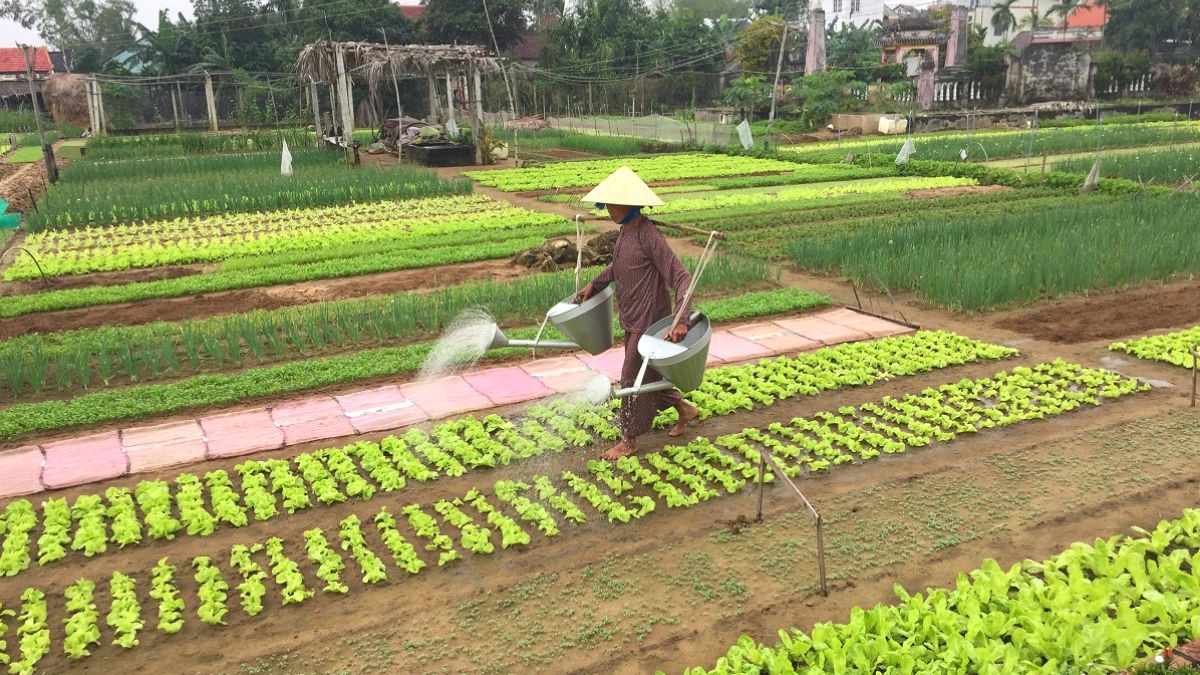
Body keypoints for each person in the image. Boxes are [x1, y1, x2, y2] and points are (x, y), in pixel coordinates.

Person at [577, 166, 700, 460]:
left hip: (649, 322)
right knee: (650, 374)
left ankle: (629, 440)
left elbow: (681, 276)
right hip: (632, 318)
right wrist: (596, 283)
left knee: (631, 377)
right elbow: (620, 267)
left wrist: (682, 319)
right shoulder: (625, 232)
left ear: (626, 204)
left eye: (610, 203)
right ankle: (684, 409)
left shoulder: (648, 234)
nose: (606, 209)